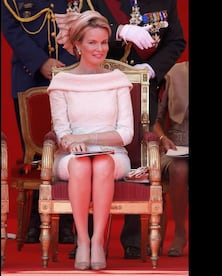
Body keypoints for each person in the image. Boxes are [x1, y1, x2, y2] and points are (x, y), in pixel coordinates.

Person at [67, 0, 187, 259]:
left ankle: (135, 240)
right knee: (90, 157)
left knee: (138, 160)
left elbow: (176, 41)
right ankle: (84, 240)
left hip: (142, 90)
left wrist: (152, 68)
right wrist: (118, 29)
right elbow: (78, 28)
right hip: (97, 86)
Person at [48, 10, 134, 270]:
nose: (100, 49)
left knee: (102, 164)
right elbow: (62, 132)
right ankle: (82, 241)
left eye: (104, 42)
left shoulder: (117, 80)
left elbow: (125, 134)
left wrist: (84, 137)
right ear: (77, 45)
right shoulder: (61, 81)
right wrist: (71, 142)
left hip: (113, 153)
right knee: (82, 165)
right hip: (72, 156)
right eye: (92, 43)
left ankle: (98, 241)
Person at [1, 0, 77, 244]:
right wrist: (40, 62)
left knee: (70, 149)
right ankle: (35, 219)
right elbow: (10, 25)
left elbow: (86, 17)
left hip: (71, 73)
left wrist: (70, 66)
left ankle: (66, 222)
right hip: (29, 76)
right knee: (34, 155)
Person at [153, 61, 189, 257]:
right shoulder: (175, 73)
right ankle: (180, 233)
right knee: (179, 168)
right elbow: (156, 121)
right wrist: (162, 138)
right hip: (176, 145)